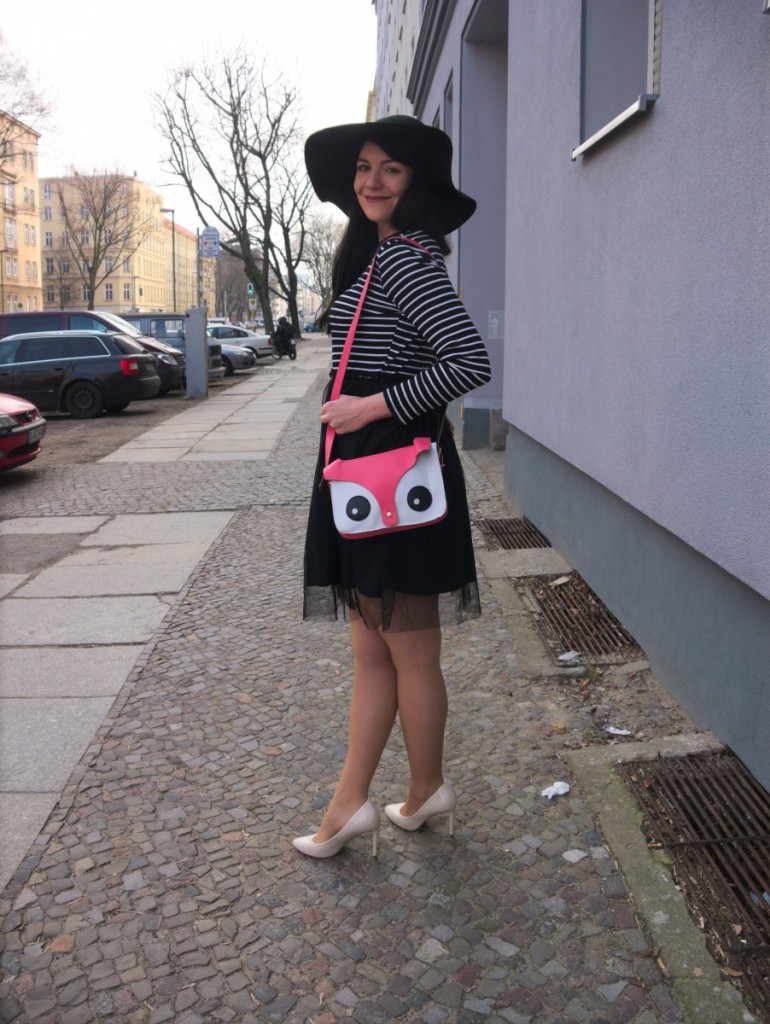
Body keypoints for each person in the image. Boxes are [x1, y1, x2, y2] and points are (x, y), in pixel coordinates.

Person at [294, 115, 492, 859]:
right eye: (364, 168)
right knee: (377, 651)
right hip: (371, 473)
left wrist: (369, 407)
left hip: (389, 472)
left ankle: (354, 805)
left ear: (415, 185)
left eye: (392, 170)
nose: (371, 181)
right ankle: (419, 793)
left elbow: (470, 361)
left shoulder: (406, 260)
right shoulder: (377, 258)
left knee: (405, 654)